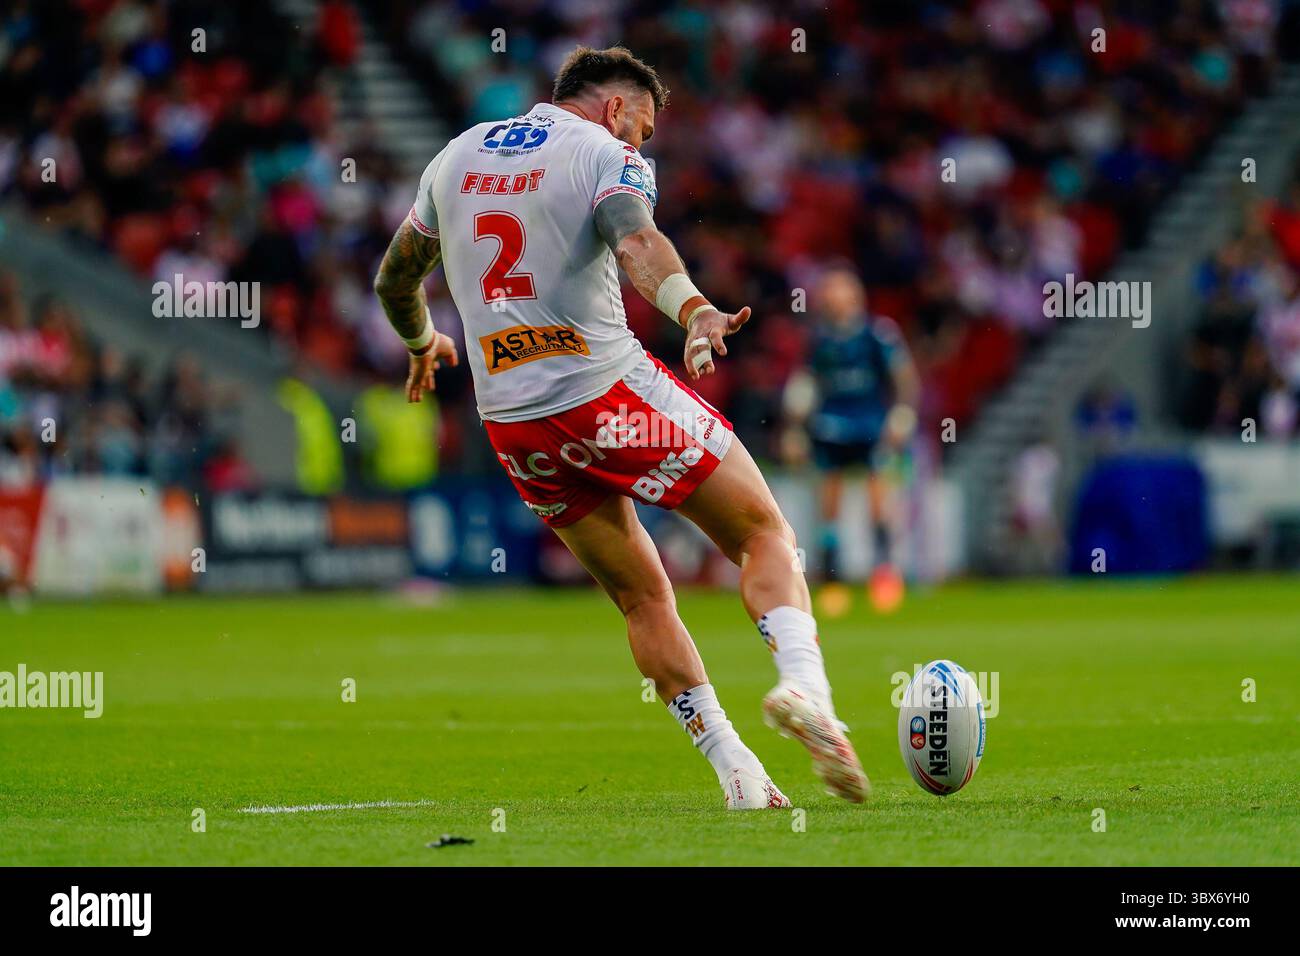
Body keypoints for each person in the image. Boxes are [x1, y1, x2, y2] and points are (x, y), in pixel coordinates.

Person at [373, 46, 868, 808]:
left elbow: (395, 276)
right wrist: (695, 310)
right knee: (764, 534)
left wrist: (420, 344)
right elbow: (636, 238)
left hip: (514, 425)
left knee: (642, 600)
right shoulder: (605, 153)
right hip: (605, 392)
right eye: (640, 126)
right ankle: (809, 693)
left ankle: (737, 773)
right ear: (613, 108)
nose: (640, 144)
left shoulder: (456, 155)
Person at [784, 267, 919, 604]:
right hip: (829, 427)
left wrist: (902, 414)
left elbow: (904, 377)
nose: (834, 296)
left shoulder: (878, 334)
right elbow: (806, 383)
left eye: (840, 289)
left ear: (855, 295)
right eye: (830, 290)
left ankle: (885, 573)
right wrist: (795, 428)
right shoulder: (819, 339)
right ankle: (833, 579)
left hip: (870, 427)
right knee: (829, 503)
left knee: (879, 500)